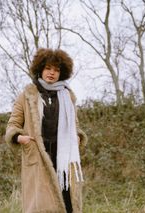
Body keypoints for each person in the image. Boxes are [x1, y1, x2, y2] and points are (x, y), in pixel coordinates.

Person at [5, 48, 87, 213]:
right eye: (48, 68)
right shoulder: (27, 95)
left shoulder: (67, 96)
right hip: (39, 155)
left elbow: (75, 125)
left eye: (57, 70)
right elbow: (12, 125)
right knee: (41, 205)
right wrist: (20, 138)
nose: (52, 73)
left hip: (64, 155)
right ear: (40, 69)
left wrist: (77, 136)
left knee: (67, 201)